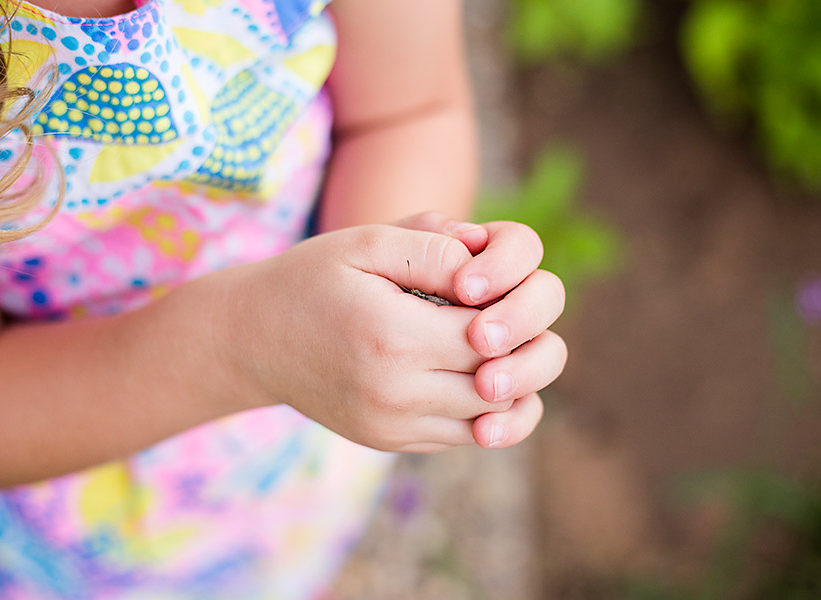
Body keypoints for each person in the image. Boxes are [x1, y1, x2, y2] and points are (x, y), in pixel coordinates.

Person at [0, 0, 567, 597]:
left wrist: (391, 289)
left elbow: (408, 113)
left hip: (301, 437)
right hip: (61, 496)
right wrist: (241, 346)